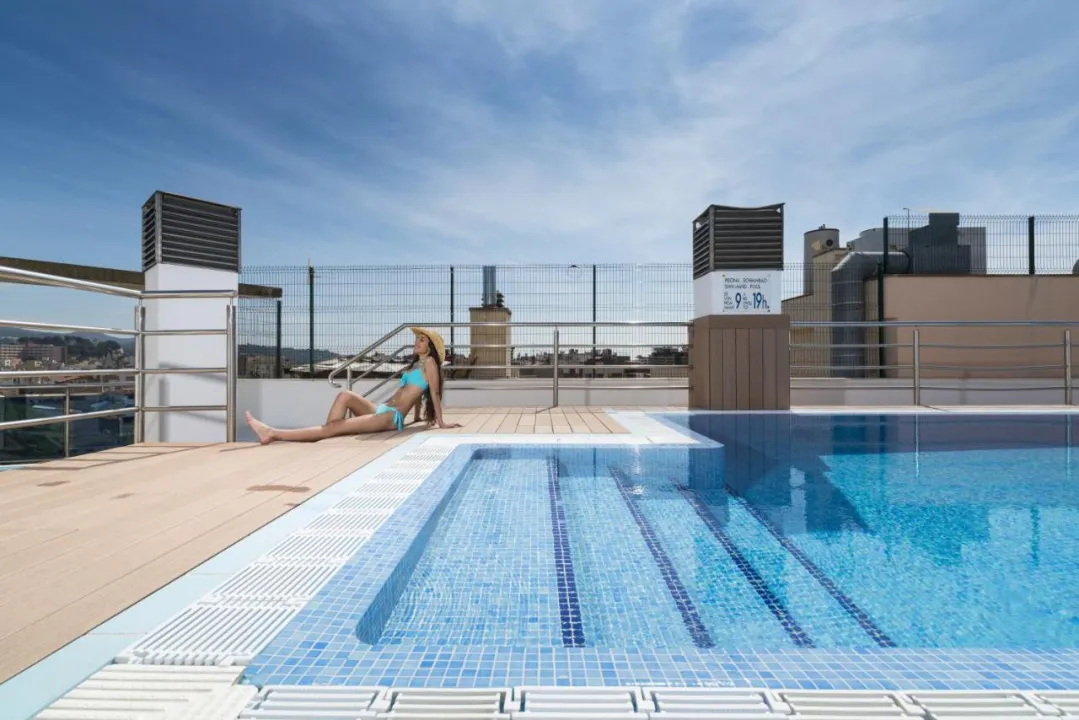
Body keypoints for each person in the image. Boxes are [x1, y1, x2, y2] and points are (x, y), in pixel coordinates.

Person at [244, 327, 460, 444]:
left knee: (332, 427)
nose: (417, 341)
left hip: (390, 418)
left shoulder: (430, 364)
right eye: (417, 338)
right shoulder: (416, 365)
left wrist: (441, 422)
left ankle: (273, 433)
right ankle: (328, 431)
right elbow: (415, 394)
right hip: (382, 409)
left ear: (430, 347)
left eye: (422, 339)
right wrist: (418, 417)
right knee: (345, 396)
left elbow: (433, 393)